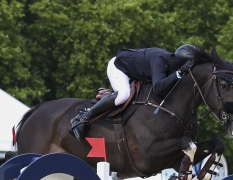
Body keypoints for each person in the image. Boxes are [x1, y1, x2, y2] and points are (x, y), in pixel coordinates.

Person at [69, 45, 197, 141]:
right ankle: (83, 117)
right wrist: (179, 73)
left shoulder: (169, 63)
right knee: (123, 95)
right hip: (119, 67)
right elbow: (158, 87)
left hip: (133, 72)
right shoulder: (160, 59)